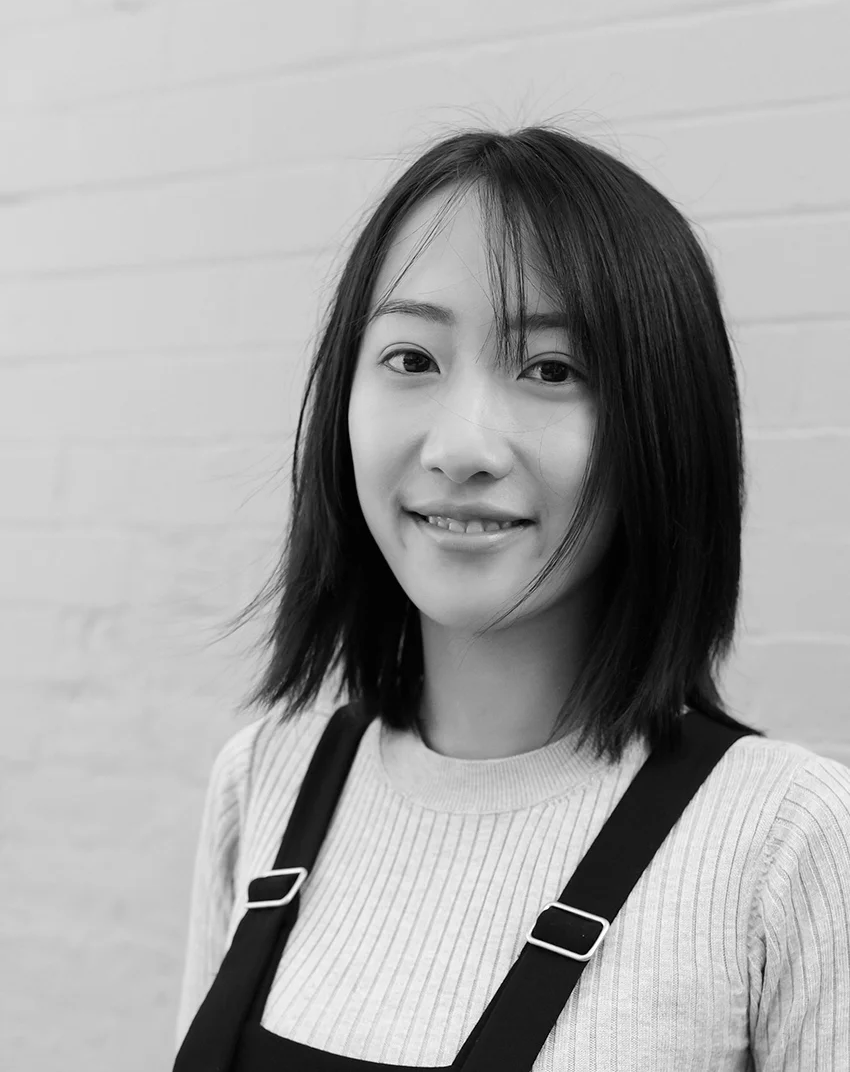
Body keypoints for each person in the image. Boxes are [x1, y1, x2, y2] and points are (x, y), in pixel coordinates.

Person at [173, 125, 850, 1071]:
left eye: (551, 370)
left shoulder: (788, 842)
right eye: (412, 359)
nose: (461, 446)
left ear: (663, 426)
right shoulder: (266, 782)